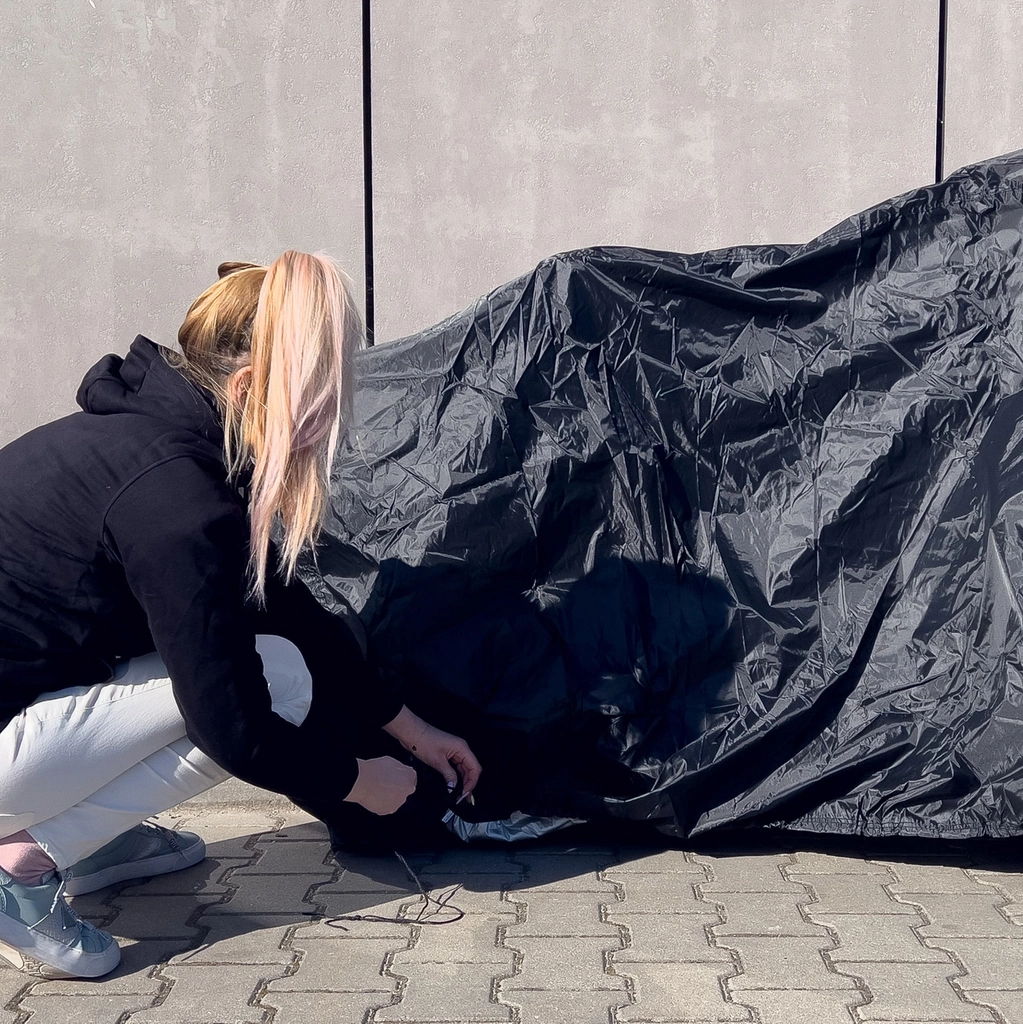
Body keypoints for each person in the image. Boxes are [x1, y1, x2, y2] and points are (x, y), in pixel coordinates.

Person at [0, 251, 482, 980]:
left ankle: (91, 839)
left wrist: (411, 728)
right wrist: (359, 781)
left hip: (21, 711)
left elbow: (287, 608)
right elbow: (234, 728)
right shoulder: (174, 502)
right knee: (274, 679)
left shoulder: (146, 446)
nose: (332, 422)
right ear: (250, 386)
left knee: (265, 650)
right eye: (321, 399)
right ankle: (27, 865)